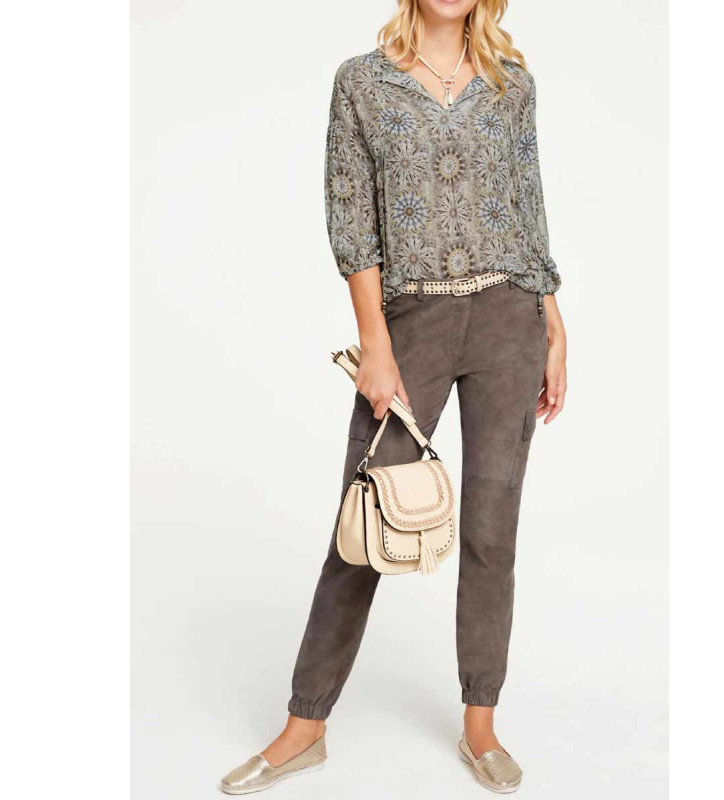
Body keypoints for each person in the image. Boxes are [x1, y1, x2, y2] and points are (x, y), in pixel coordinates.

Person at [221, 0, 567, 793]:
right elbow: (351, 218)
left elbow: (530, 207)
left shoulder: (513, 84)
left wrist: (554, 323)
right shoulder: (363, 83)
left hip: (511, 319)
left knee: (493, 529)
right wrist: (375, 343)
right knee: (364, 522)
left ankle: (480, 724)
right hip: (413, 322)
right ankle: (305, 724)